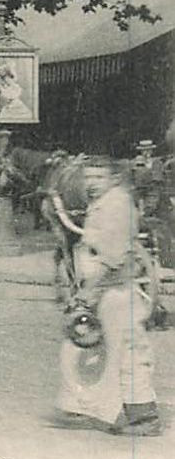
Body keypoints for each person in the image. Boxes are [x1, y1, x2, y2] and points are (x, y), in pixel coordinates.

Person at [53, 159, 160, 436]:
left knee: (125, 351)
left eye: (98, 176)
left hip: (115, 290)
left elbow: (111, 257)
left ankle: (143, 416)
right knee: (91, 346)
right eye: (88, 176)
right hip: (105, 290)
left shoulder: (116, 205)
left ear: (114, 178)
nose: (91, 182)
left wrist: (87, 294)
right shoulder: (106, 201)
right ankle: (82, 405)